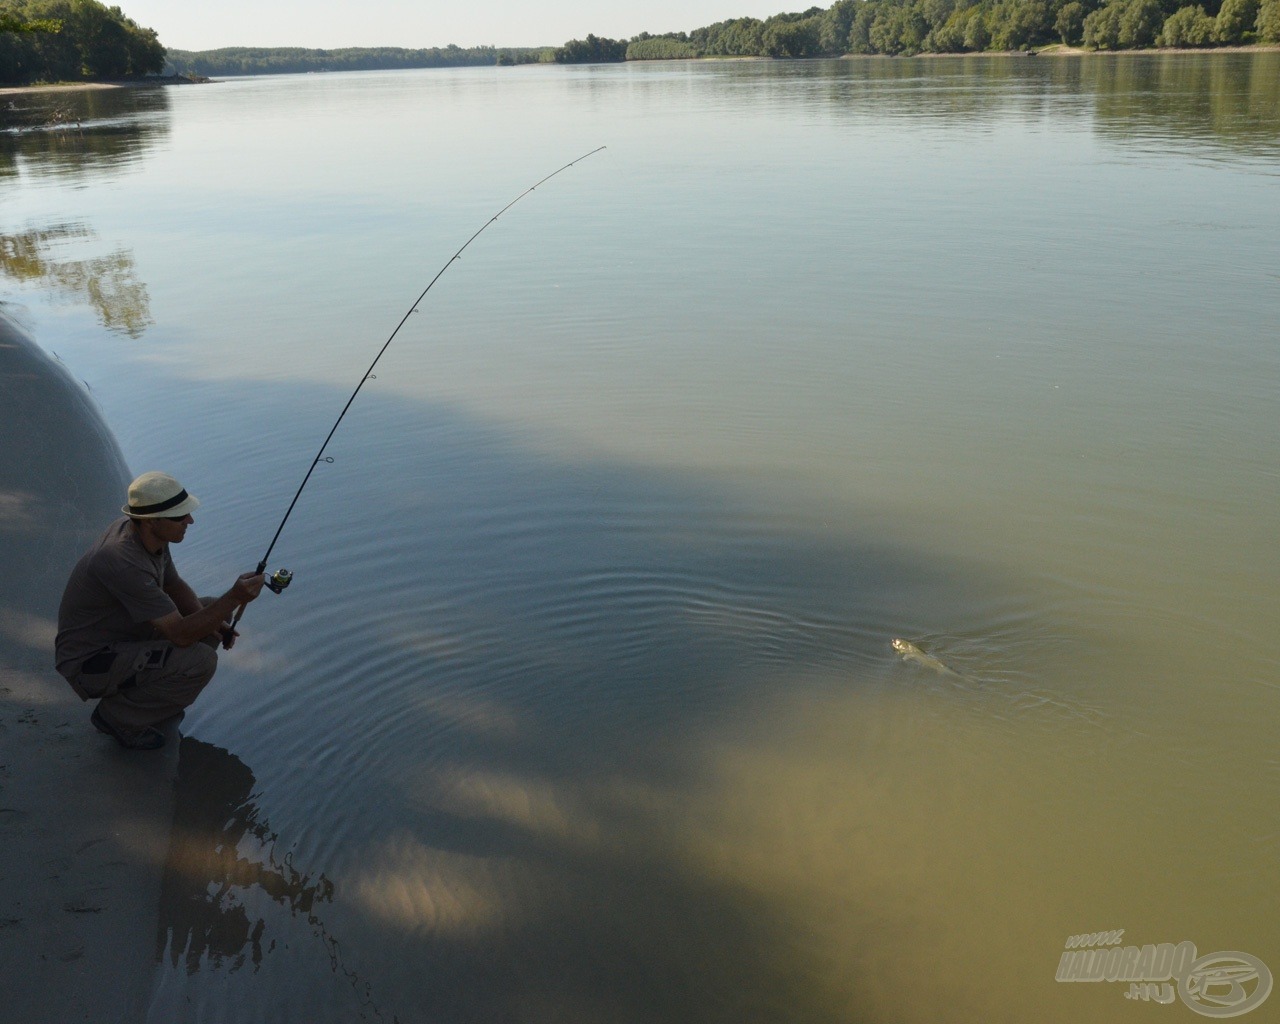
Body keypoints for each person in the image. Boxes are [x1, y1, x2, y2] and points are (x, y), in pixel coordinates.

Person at [54, 471, 265, 750]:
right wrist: (235, 597)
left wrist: (219, 620)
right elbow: (179, 635)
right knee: (200, 661)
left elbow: (173, 584)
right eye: (180, 516)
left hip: (125, 634)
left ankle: (150, 696)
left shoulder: (147, 536)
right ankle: (118, 717)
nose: (190, 521)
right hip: (90, 663)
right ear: (152, 521)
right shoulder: (123, 560)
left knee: (213, 611)